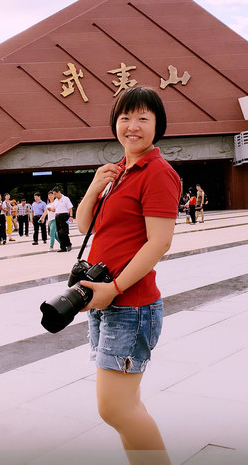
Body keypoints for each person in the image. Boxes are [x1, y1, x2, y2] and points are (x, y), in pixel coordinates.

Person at [75, 86, 180, 464]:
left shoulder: (159, 173)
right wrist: (93, 188)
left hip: (130, 305)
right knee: (127, 406)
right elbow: (86, 224)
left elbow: (159, 243)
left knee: (115, 409)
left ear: (158, 125)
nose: (132, 126)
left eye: (142, 118)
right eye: (124, 118)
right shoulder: (119, 172)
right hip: (106, 303)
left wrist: (114, 288)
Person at [52, 186, 73, 252]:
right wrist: (50, 209)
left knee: (63, 231)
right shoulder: (55, 201)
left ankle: (69, 244)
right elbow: (55, 209)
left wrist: (71, 216)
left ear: (59, 192)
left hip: (65, 216)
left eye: (55, 194)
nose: (54, 196)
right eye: (54, 194)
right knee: (59, 232)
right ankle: (62, 247)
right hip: (57, 216)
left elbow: (70, 209)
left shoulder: (66, 199)